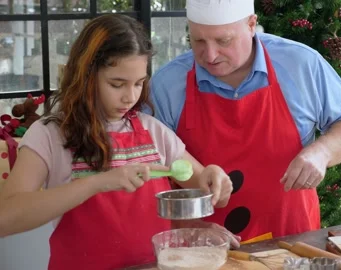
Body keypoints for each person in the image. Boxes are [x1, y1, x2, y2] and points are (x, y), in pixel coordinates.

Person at [0, 14, 239, 270]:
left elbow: (205, 190)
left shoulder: (153, 131)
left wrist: (214, 179)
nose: (130, 97)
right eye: (117, 84)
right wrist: (98, 182)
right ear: (86, 76)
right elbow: (6, 218)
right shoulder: (49, 134)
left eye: (139, 84)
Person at [148, 0, 341, 244]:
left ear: (251, 25)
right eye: (198, 41)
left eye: (223, 41)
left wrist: (322, 152)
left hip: (293, 241)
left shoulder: (301, 64)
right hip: (205, 247)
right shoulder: (167, 84)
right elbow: (150, 171)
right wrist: (191, 226)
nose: (209, 55)